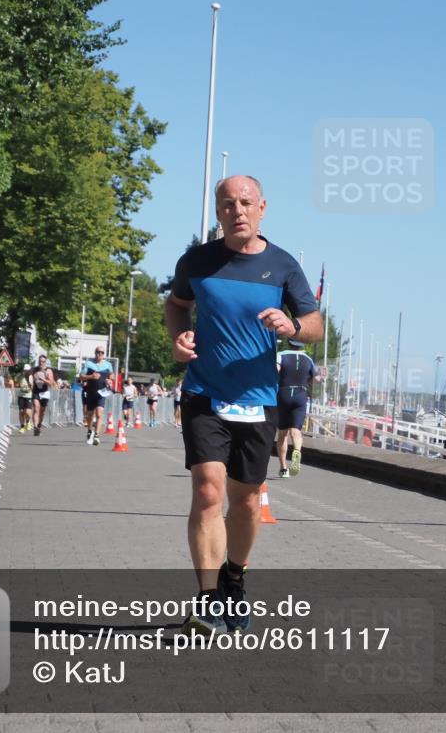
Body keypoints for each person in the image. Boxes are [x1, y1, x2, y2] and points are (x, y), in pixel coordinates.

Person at [166, 174, 323, 635]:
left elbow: (315, 325)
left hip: (257, 400)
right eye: (228, 204)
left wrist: (292, 327)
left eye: (246, 203)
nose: (237, 210)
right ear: (218, 211)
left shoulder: (283, 265)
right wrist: (178, 338)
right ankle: (208, 598)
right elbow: (176, 305)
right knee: (208, 492)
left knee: (249, 501)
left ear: (262, 208)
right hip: (204, 392)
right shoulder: (197, 261)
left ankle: (235, 578)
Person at [275, 338, 318, 478]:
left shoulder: (281, 355)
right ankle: (297, 450)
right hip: (301, 394)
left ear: (289, 343)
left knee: (282, 434)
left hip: (283, 393)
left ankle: (284, 469)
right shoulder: (308, 359)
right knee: (295, 431)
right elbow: (316, 378)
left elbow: (276, 370)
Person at [78, 346, 114, 446]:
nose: (100, 354)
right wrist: (91, 376)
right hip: (91, 392)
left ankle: (97, 435)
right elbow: (81, 376)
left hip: (102, 392)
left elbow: (112, 376)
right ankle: (90, 430)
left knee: (99, 413)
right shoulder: (89, 363)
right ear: (95, 353)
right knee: (90, 415)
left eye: (102, 352)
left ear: (104, 354)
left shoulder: (108, 365)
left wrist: (109, 380)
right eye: (98, 352)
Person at [31, 355, 56, 437]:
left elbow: (51, 383)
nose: (41, 363)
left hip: (44, 392)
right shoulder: (35, 370)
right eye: (40, 361)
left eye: (43, 361)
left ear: (45, 362)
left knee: (42, 412)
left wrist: (43, 379)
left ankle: (39, 424)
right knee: (36, 409)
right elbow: (29, 376)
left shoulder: (48, 371)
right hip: (36, 391)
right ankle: (35, 428)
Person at [17, 365, 34, 432]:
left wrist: (30, 386)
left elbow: (32, 387)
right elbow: (17, 383)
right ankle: (22, 427)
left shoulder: (30, 377)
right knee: (21, 412)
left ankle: (28, 421)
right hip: (21, 395)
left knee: (27, 412)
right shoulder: (20, 376)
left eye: (27, 370)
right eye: (25, 370)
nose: (25, 371)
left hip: (28, 395)